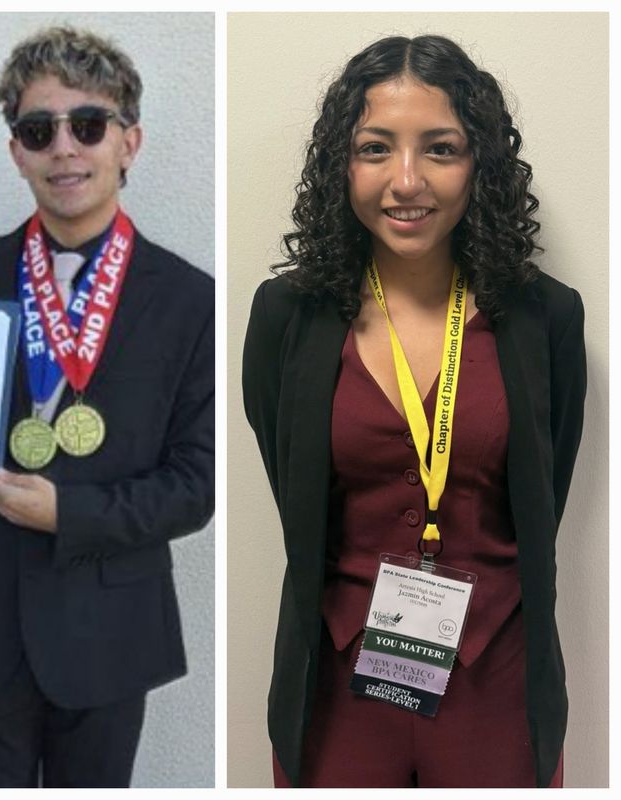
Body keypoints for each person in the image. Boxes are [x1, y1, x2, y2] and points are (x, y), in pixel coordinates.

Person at [0, 26, 213, 787]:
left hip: (112, 630)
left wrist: (70, 513)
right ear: (16, 150)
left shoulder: (193, 302)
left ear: (129, 142)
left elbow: (198, 483)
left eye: (89, 125)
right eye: (38, 129)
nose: (65, 148)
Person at [242, 34, 585, 789]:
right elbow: (285, 470)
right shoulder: (286, 316)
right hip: (336, 688)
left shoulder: (545, 318)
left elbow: (545, 491)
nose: (405, 181)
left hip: (498, 683)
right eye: (374, 149)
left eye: (440, 148)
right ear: (343, 164)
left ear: (480, 165)